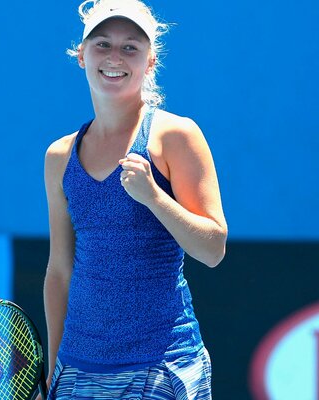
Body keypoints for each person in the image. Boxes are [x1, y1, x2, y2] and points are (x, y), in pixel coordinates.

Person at [41, 0, 228, 398]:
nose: (115, 57)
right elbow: (59, 271)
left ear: (150, 61)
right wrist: (53, 372)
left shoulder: (175, 136)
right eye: (103, 44)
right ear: (82, 56)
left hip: (164, 367)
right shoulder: (59, 157)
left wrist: (154, 197)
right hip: (77, 371)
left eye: (131, 47)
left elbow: (212, 248)